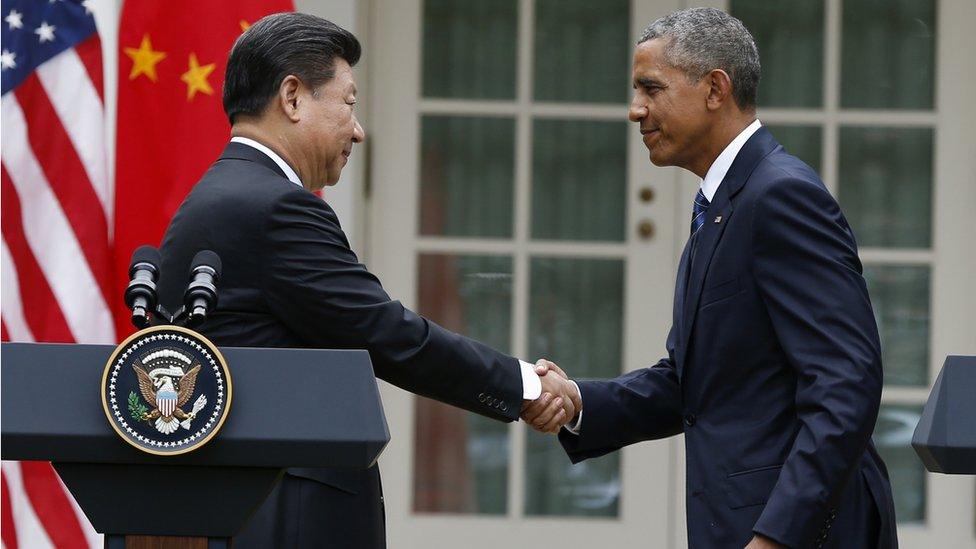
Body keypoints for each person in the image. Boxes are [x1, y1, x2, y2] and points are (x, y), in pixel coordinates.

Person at [156, 13, 578, 549]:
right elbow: (385, 332)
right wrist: (526, 386)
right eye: (349, 102)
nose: (358, 129)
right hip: (285, 515)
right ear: (292, 98)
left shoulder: (220, 194)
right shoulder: (275, 206)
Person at [525, 7, 897, 549]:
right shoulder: (721, 204)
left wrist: (775, 538)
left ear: (715, 89)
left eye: (651, 89)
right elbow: (692, 384)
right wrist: (579, 401)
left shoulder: (779, 196)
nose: (635, 110)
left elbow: (845, 384)